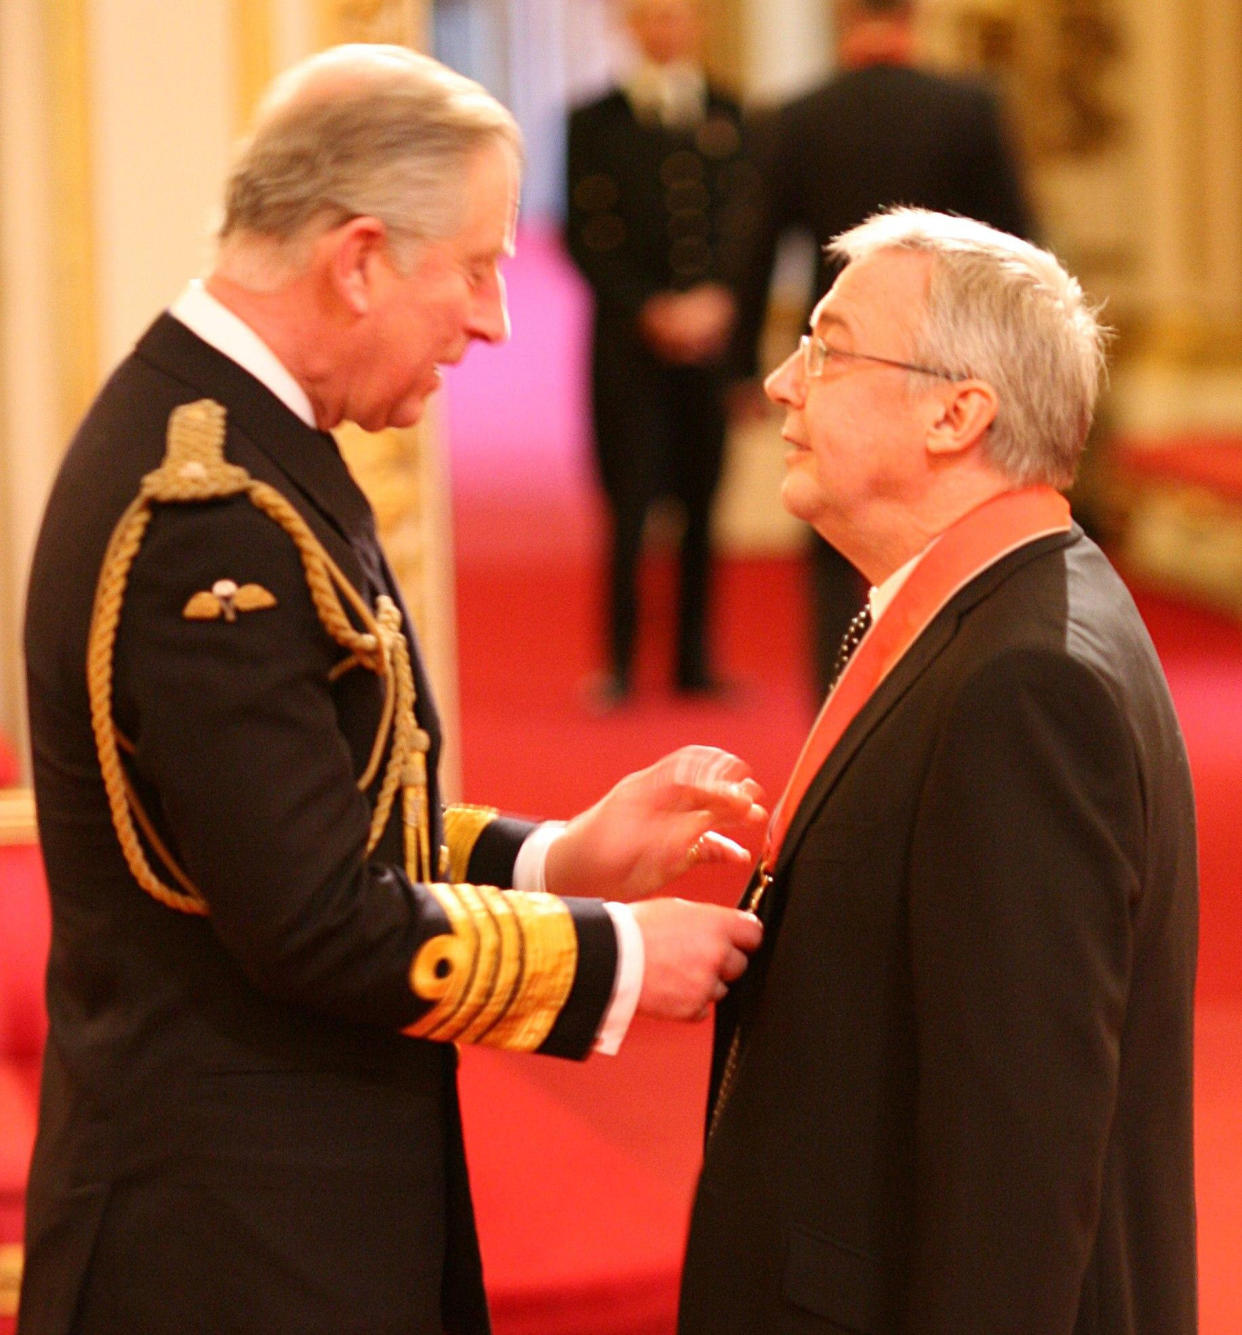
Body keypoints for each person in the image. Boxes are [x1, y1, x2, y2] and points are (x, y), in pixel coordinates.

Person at [19, 45, 767, 1335]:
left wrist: (562, 858)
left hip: (288, 1208)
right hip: (231, 1246)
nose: (495, 319)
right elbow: (312, 916)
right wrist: (617, 959)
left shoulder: (254, 438)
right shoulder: (209, 512)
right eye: (476, 267)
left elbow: (325, 809)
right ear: (358, 257)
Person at [679, 208, 1198, 1333]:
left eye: (826, 346)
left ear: (957, 412)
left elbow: (1017, 1181)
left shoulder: (1026, 688)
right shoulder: (986, 611)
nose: (779, 382)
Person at [732, 0, 1033, 699]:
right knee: (953, 534)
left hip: (840, 365)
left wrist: (745, 369)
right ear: (915, 15)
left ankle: (841, 719)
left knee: (839, 539)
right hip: (954, 371)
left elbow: (754, 253)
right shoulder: (970, 108)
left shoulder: (799, 115)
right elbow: (1020, 251)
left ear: (842, 16)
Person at [566, 0, 754, 704]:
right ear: (628, 25)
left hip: (711, 344)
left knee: (704, 502)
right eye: (649, 15)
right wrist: (648, 307)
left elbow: (747, 226)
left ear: (698, 22)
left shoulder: (732, 116)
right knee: (630, 503)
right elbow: (584, 235)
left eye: (675, 15)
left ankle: (693, 661)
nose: (664, 28)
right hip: (628, 346)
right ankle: (618, 662)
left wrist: (718, 305)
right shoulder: (595, 121)